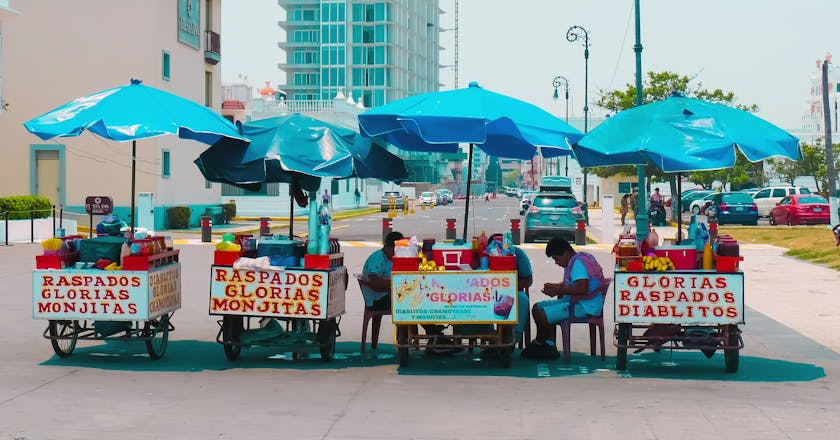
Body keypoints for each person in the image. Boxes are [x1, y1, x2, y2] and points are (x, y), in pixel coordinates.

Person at [522, 237, 607, 359]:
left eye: (557, 259)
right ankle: (546, 343)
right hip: (580, 302)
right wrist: (555, 287)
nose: (556, 263)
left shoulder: (578, 264)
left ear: (566, 253)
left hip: (584, 307)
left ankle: (543, 343)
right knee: (537, 307)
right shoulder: (580, 258)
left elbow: (583, 288)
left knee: (542, 314)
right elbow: (571, 284)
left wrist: (558, 290)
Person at [357, 231, 404, 311]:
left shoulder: (389, 257)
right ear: (391, 248)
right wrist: (394, 282)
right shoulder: (378, 258)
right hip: (377, 300)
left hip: (383, 295)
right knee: (408, 302)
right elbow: (374, 279)